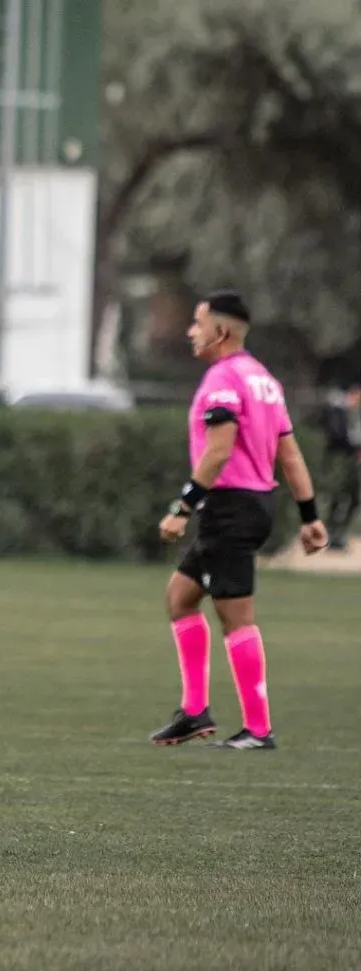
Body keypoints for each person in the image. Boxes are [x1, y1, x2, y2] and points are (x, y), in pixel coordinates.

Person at [152, 290, 328, 750]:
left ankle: (258, 728)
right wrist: (309, 515)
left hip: (229, 508)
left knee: (236, 617)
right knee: (180, 596)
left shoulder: (223, 378)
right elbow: (288, 452)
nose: (192, 331)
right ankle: (194, 713)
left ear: (221, 331)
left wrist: (181, 508)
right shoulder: (264, 380)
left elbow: (219, 449)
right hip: (253, 505)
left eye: (198, 322)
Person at [317, 383, 361, 550]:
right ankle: (330, 533)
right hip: (340, 460)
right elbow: (336, 434)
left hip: (353, 462)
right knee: (336, 497)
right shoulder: (338, 412)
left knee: (354, 499)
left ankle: (340, 532)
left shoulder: (355, 415)